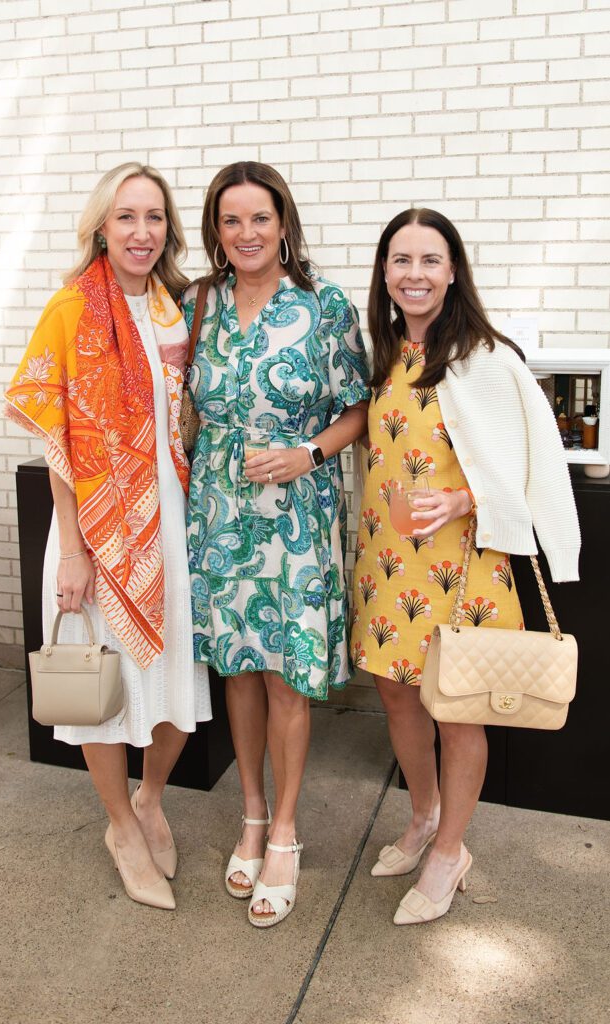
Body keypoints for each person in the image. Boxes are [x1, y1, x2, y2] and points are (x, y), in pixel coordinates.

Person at [350, 208, 580, 925]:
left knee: (457, 712)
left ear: (453, 270)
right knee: (394, 696)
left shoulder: (486, 357)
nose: (413, 274)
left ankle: (451, 849)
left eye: (428, 260)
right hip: (388, 563)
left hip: (462, 565)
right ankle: (422, 817)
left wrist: (461, 497)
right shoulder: (385, 352)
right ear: (384, 274)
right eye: (400, 260)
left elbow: (532, 463)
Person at [5, 163, 211, 910]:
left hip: (174, 522)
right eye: (126, 216)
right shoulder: (71, 309)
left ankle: (151, 797)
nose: (141, 231)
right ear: (101, 225)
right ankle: (120, 825)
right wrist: (73, 548)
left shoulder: (176, 311)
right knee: (105, 692)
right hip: (95, 528)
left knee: (174, 681)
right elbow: (56, 431)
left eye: (154, 217)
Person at [183, 161, 369, 927]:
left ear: (283, 223)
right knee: (239, 669)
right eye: (231, 221)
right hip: (220, 507)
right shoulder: (198, 304)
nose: (247, 233)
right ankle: (251, 816)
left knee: (287, 673)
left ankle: (286, 831)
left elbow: (357, 409)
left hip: (295, 505)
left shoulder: (323, 305)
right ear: (216, 232)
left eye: (259, 218)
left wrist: (308, 455)